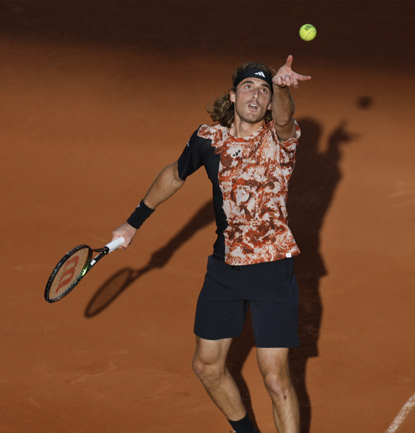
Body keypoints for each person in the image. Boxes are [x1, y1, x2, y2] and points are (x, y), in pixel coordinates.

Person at [111, 55, 311, 433]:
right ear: (233, 96)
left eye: (264, 91)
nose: (256, 95)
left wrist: (282, 87)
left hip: (272, 267)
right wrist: (133, 222)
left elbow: (286, 118)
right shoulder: (208, 138)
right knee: (206, 366)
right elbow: (175, 174)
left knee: (274, 378)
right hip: (225, 268)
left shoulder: (279, 140)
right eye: (248, 87)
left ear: (269, 104)